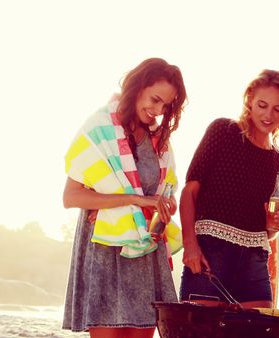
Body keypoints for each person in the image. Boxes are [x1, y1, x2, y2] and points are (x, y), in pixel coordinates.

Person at [62, 57, 188, 338]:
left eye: (165, 106)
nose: (157, 111)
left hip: (146, 251)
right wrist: (136, 200)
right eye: (155, 100)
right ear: (139, 86)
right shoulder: (99, 128)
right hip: (107, 250)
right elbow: (71, 197)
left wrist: (165, 205)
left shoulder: (159, 139)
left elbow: (163, 190)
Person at [179, 69, 279, 309]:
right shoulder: (222, 131)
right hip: (211, 253)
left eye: (278, 109)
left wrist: (273, 225)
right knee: (200, 333)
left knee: (257, 331)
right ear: (250, 100)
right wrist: (190, 244)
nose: (268, 115)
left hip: (255, 261)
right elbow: (189, 192)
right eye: (262, 105)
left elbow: (268, 232)